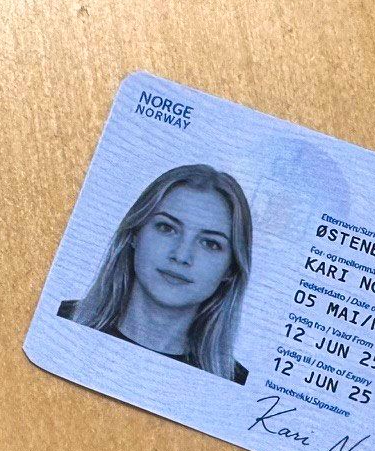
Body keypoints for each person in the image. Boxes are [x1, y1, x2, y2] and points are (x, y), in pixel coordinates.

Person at [59, 163, 251, 384]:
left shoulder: (236, 384)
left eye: (210, 243)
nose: (181, 255)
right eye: (166, 228)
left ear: (231, 269)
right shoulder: (59, 320)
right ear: (134, 234)